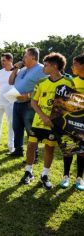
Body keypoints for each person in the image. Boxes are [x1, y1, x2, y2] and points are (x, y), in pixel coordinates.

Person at [20, 52, 74, 190]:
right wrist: (43, 116)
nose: (43, 67)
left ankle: (44, 175)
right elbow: (34, 102)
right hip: (39, 121)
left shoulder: (68, 83)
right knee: (31, 146)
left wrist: (53, 119)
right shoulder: (41, 82)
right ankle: (28, 172)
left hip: (53, 124)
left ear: (55, 66)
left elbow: (69, 106)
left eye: (46, 65)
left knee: (49, 148)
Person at [9, 47, 46, 161]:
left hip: (29, 105)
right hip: (17, 102)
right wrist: (15, 68)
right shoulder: (23, 69)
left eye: (25, 56)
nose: (23, 58)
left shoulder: (41, 69)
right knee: (17, 127)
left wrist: (29, 95)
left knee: (30, 130)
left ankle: (34, 155)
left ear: (33, 57)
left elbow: (45, 87)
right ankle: (18, 150)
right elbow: (11, 81)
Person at [60, 53, 84, 191]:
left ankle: (79, 178)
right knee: (69, 147)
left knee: (82, 151)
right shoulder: (72, 82)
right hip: (71, 121)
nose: (72, 66)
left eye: (75, 64)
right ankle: (66, 176)